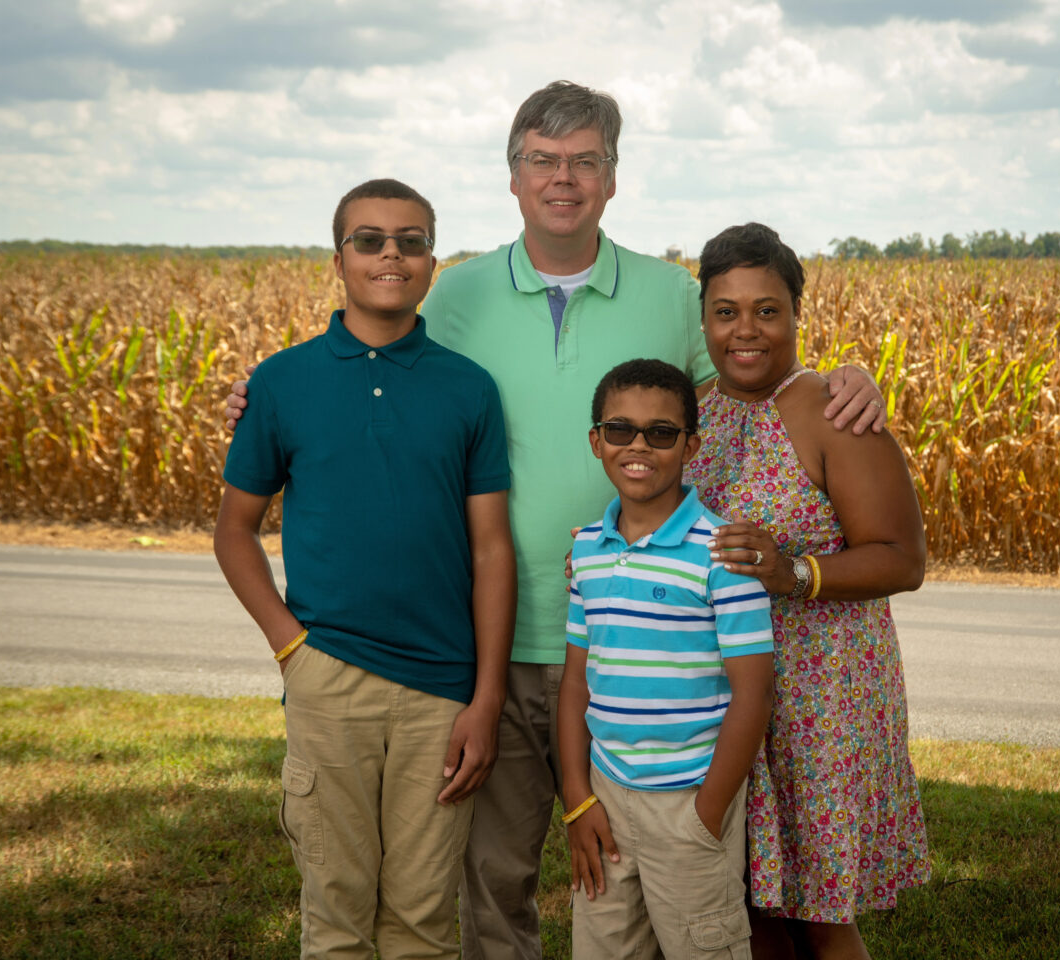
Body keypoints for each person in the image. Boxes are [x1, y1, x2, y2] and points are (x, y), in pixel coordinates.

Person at [223, 81, 887, 960]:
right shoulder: (453, 296)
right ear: (512, 177)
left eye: (585, 161)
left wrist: (845, 376)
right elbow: (369, 351)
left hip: (636, 650)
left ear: (613, 178)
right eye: (542, 159)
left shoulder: (667, 292)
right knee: (493, 886)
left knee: (641, 887)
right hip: (482, 645)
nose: (563, 178)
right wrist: (257, 393)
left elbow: (751, 361)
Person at [213, 178, 516, 960]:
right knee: (337, 915)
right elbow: (235, 532)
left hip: (441, 695)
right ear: (339, 259)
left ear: (432, 261)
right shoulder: (282, 382)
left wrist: (486, 698)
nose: (392, 254)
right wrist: (292, 647)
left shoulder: (468, 388)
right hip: (329, 678)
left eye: (411, 240)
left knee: (422, 920)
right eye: (371, 240)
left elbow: (490, 550)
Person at [691, 223, 930, 960]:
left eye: (768, 309)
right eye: (726, 311)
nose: (746, 331)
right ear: (703, 319)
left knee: (818, 913)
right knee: (747, 897)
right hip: (723, 690)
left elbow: (902, 557)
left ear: (798, 314)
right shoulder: (694, 409)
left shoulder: (833, 410)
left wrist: (795, 573)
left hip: (819, 693)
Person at [559, 358, 774, 960]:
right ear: (597, 440)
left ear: (690, 446)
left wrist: (707, 815)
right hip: (604, 796)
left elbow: (753, 693)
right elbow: (577, 684)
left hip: (688, 803)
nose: (639, 447)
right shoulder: (587, 550)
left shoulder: (723, 553)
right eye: (621, 430)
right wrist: (577, 799)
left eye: (661, 433)